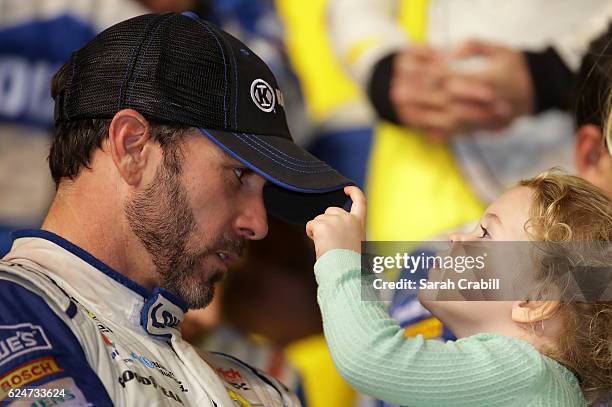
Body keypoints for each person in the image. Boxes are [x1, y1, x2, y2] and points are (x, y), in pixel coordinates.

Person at [0, 12, 353, 406]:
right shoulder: (13, 316)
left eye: (264, 191)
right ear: (132, 147)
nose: (258, 224)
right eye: (237, 175)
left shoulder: (264, 385)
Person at [306, 175, 612, 406]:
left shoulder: (527, 374)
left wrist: (341, 259)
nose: (454, 237)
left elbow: (370, 357)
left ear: (534, 300)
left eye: (485, 232)